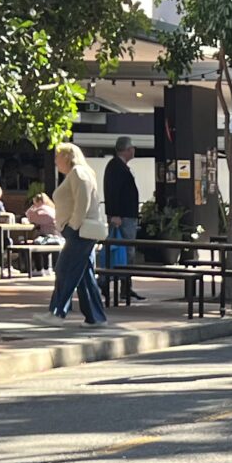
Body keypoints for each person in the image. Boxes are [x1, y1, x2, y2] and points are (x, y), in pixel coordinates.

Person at [49, 141, 109, 325]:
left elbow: (82, 201)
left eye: (58, 157)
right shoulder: (78, 173)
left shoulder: (78, 173)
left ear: (67, 156)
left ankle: (57, 312)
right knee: (83, 275)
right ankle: (96, 317)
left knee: (65, 270)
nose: (56, 161)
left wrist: (73, 225)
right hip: (80, 231)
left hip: (78, 232)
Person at [103, 136, 142, 305]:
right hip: (123, 217)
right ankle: (110, 282)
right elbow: (112, 192)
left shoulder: (120, 167)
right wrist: (114, 214)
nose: (133, 150)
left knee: (126, 251)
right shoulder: (115, 167)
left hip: (127, 216)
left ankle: (126, 286)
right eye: (131, 148)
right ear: (126, 150)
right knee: (124, 251)